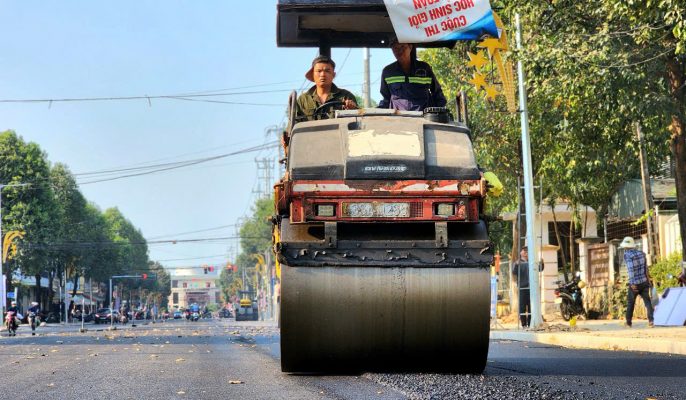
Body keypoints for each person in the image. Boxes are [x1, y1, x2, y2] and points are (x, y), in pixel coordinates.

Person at [378, 38, 447, 111]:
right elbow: (386, 99)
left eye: (402, 47)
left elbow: (437, 93)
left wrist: (442, 111)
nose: (399, 51)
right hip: (399, 119)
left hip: (424, 117)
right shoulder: (388, 72)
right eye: (395, 48)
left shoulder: (424, 68)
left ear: (410, 47)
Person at [295, 55, 358, 121]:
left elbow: (358, 122)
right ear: (313, 74)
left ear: (333, 75)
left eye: (327, 71)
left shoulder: (346, 96)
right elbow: (293, 126)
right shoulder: (303, 100)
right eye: (319, 71)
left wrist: (352, 109)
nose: (322, 75)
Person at [619, 237, 654, 328]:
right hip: (644, 281)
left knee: (631, 302)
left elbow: (631, 270)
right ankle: (651, 321)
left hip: (635, 283)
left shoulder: (627, 255)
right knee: (648, 302)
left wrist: (632, 283)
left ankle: (628, 323)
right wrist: (648, 280)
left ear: (626, 247)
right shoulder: (642, 253)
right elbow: (646, 268)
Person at [511, 247, 532, 328]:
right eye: (524, 250)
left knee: (531, 306)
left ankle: (530, 323)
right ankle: (524, 324)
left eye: (527, 250)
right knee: (522, 306)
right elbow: (514, 272)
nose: (526, 252)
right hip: (522, 287)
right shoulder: (518, 262)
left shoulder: (531, 261)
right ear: (521, 253)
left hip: (531, 287)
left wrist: (542, 263)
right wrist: (516, 264)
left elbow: (539, 269)